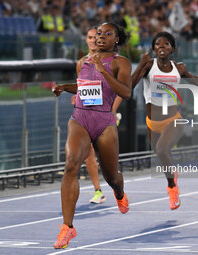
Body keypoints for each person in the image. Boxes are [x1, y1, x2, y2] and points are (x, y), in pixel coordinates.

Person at [131, 32, 198, 211]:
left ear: (172, 48)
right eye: (157, 44)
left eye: (165, 44)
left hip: (173, 119)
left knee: (162, 150)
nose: (161, 46)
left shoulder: (178, 68)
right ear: (154, 49)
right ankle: (172, 180)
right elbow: (129, 86)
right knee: (162, 158)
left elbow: (197, 81)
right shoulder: (148, 66)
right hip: (151, 122)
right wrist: (140, 64)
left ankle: (172, 189)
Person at [51, 23, 131, 249]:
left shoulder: (120, 62)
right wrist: (64, 87)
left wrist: (103, 69)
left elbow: (125, 92)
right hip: (80, 118)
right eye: (98, 34)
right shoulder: (82, 62)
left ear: (116, 39)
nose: (101, 37)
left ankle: (119, 192)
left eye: (107, 34)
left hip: (104, 121)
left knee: (111, 176)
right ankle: (68, 227)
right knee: (70, 165)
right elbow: (84, 87)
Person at [69, 27, 105, 204]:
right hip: (85, 113)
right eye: (89, 37)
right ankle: (98, 191)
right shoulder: (80, 63)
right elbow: (81, 85)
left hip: (102, 113)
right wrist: (77, 96)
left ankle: (115, 186)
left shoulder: (107, 61)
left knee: (104, 155)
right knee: (88, 153)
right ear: (86, 40)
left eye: (95, 37)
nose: (92, 41)